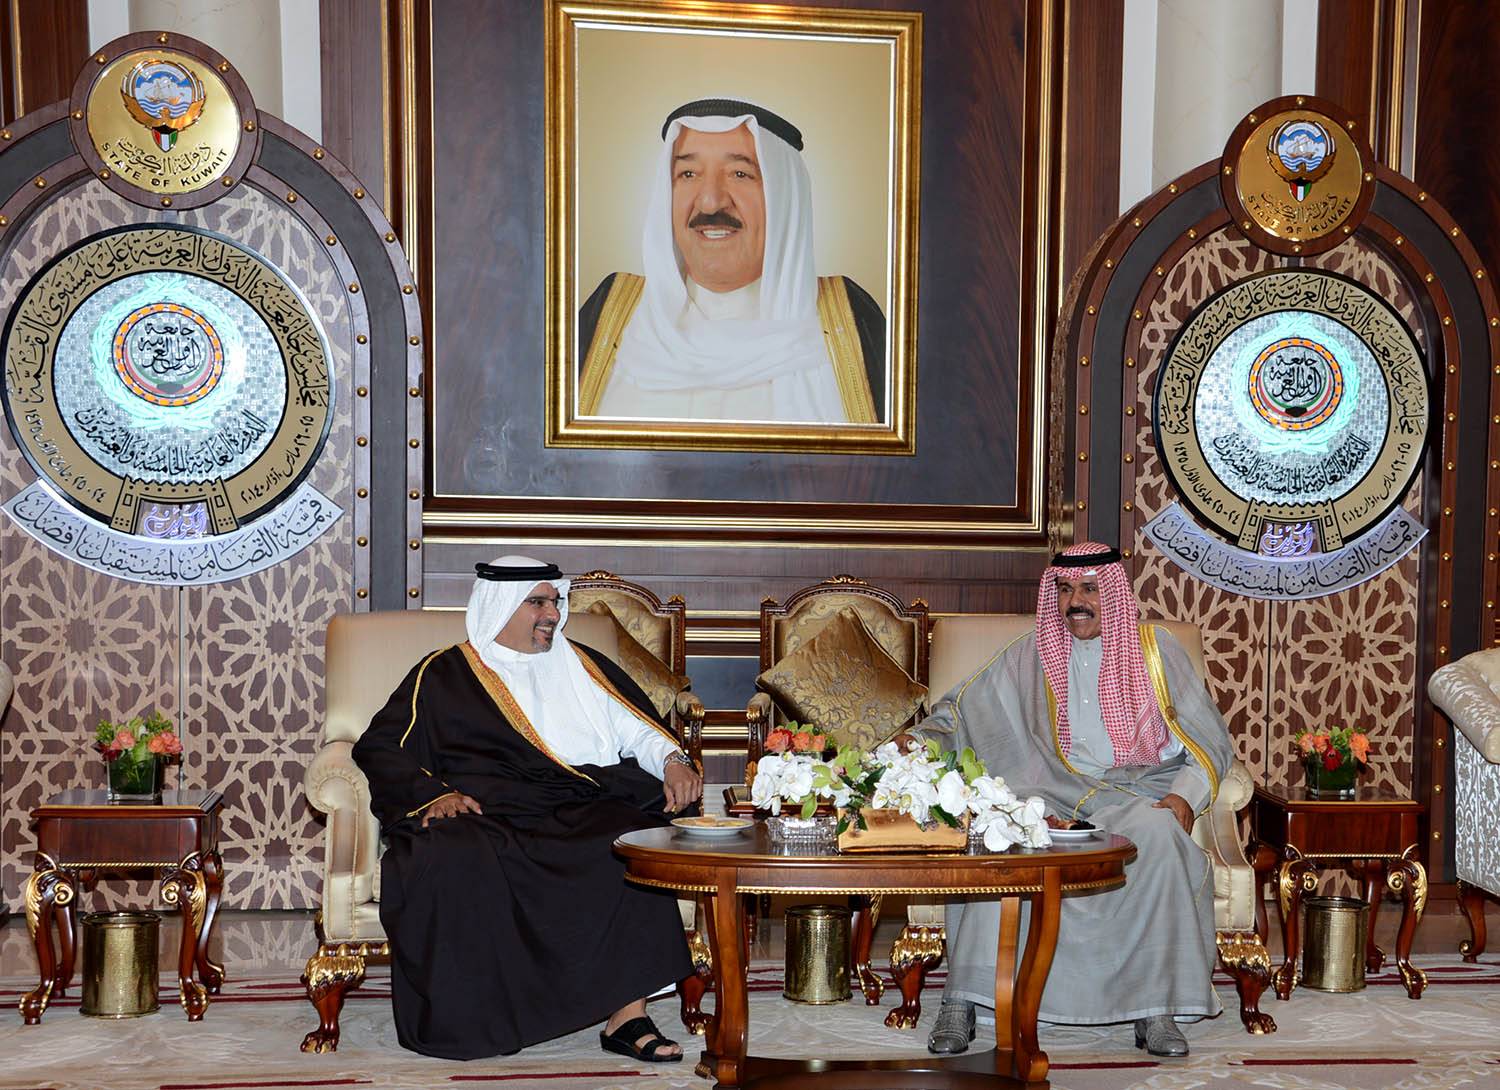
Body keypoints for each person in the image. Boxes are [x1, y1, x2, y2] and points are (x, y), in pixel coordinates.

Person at [352, 555, 704, 1061]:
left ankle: (627, 1017)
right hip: (483, 809)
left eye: (555, 602)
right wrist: (435, 795)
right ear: (500, 605)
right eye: (537, 603)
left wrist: (672, 761)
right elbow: (381, 746)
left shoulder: (582, 664)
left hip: (576, 799)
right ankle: (474, 1019)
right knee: (449, 856)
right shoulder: (444, 671)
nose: (552, 614)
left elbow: (639, 731)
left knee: (628, 843)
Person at [914, 542, 1234, 1058]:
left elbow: (1210, 738)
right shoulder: (1031, 655)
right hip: (1045, 793)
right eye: (1064, 590)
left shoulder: (1157, 652)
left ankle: (1155, 1006)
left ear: (1113, 593)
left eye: (1089, 589)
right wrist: (918, 743)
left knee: (1158, 837)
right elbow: (961, 714)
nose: (1075, 602)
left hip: (1135, 791)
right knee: (995, 836)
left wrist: (1184, 796)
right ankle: (963, 998)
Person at [577, 97, 885, 424]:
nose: (710, 202)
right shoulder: (609, 315)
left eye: (740, 173)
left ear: (784, 197)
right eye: (688, 174)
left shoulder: (851, 323)